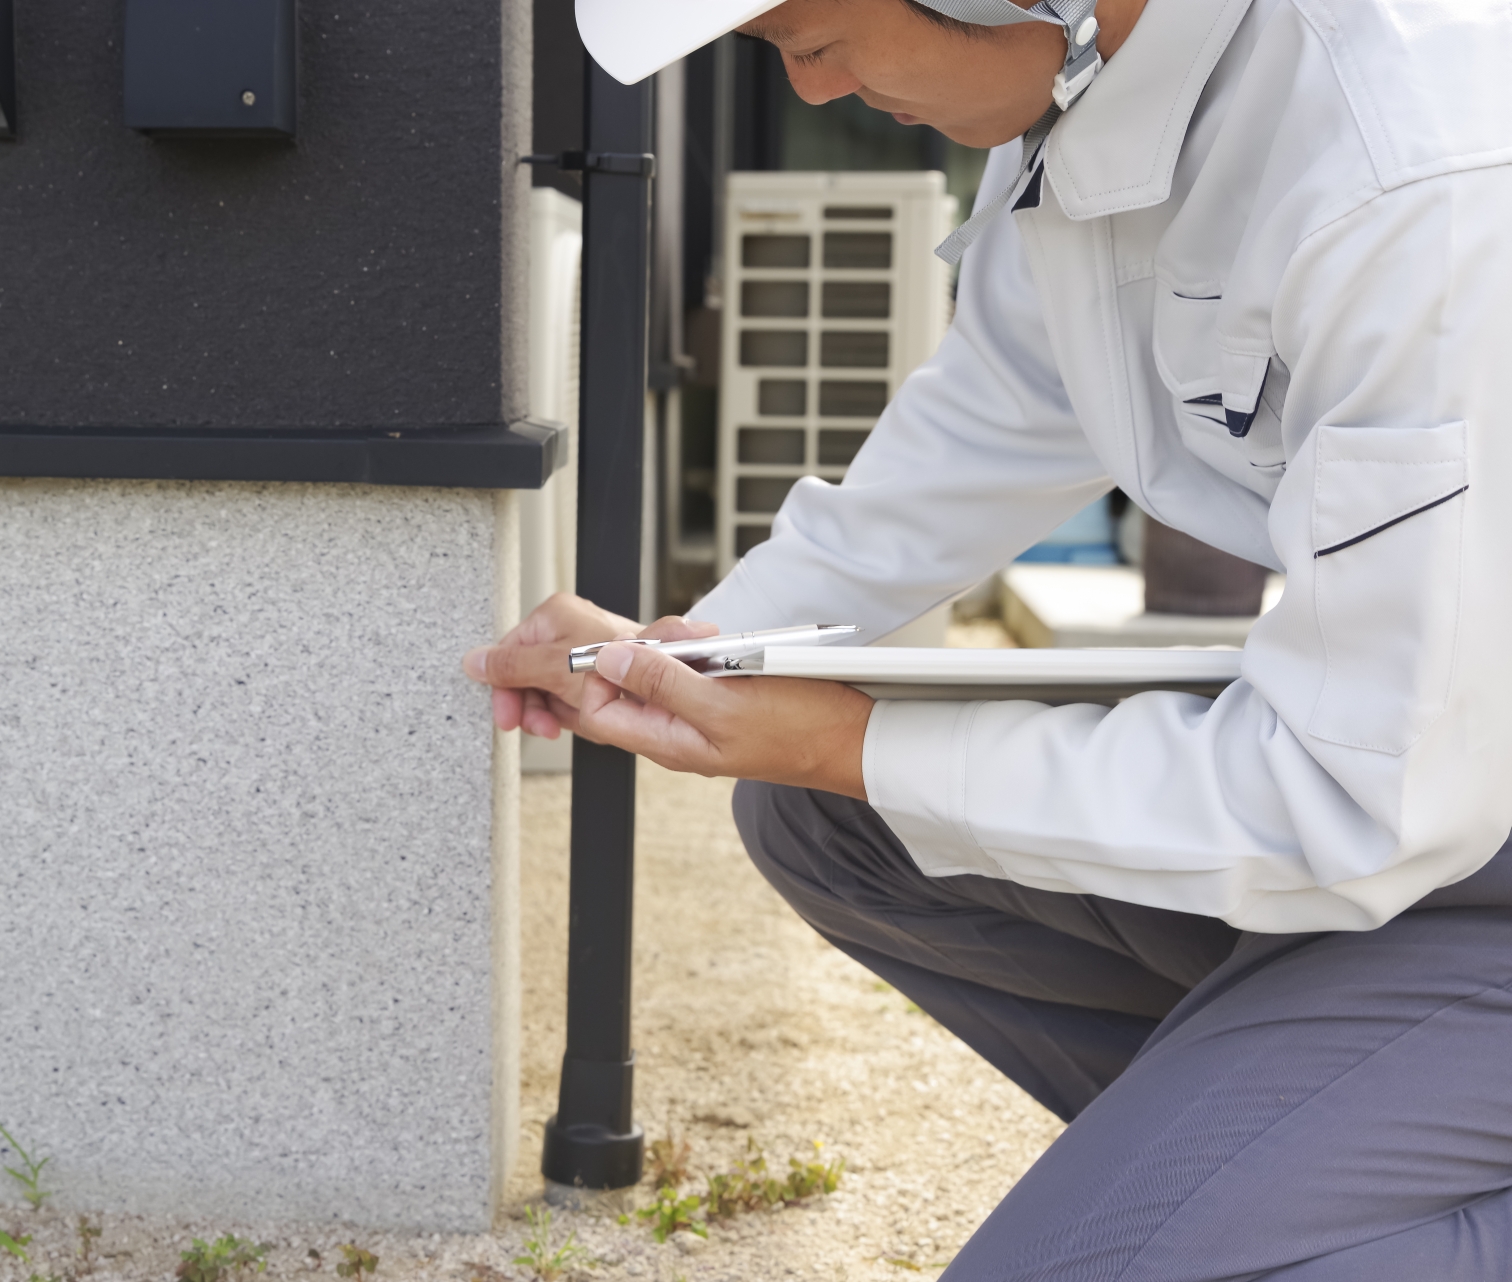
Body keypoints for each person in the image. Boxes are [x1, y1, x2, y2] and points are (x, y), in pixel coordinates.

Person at [463, 0, 1512, 1276]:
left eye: (814, 36)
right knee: (829, 821)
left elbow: (1362, 801)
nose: (809, 92)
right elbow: (987, 423)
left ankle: (1283, 1173)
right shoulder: (1090, 111)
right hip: (1446, 803)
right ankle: (1279, 1149)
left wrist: (853, 742)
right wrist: (696, 660)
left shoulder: (1417, 174)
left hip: (1443, 827)